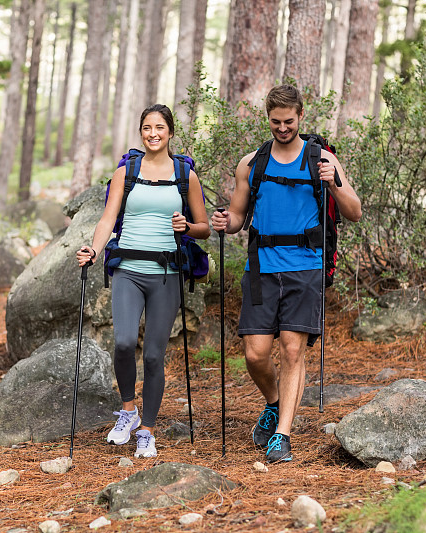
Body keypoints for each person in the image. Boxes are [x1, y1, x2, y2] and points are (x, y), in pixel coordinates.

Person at [211, 84, 362, 463]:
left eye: (289, 121)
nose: (282, 128)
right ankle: (275, 403)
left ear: (301, 116)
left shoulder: (321, 159)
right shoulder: (252, 163)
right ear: (268, 118)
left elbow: (355, 211)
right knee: (255, 354)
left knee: (293, 349)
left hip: (305, 268)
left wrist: (334, 182)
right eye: (276, 122)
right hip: (261, 268)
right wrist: (223, 221)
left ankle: (282, 435)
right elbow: (237, 217)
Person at [77, 104, 210, 458]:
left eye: (160, 128)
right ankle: (129, 411)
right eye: (147, 128)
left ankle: (147, 431)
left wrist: (187, 228)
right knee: (122, 343)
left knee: (153, 355)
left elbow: (205, 228)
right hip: (128, 270)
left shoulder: (185, 175)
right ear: (141, 133)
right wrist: (93, 249)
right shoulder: (127, 172)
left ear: (170, 133)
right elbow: (108, 219)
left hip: (166, 274)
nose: (153, 134)